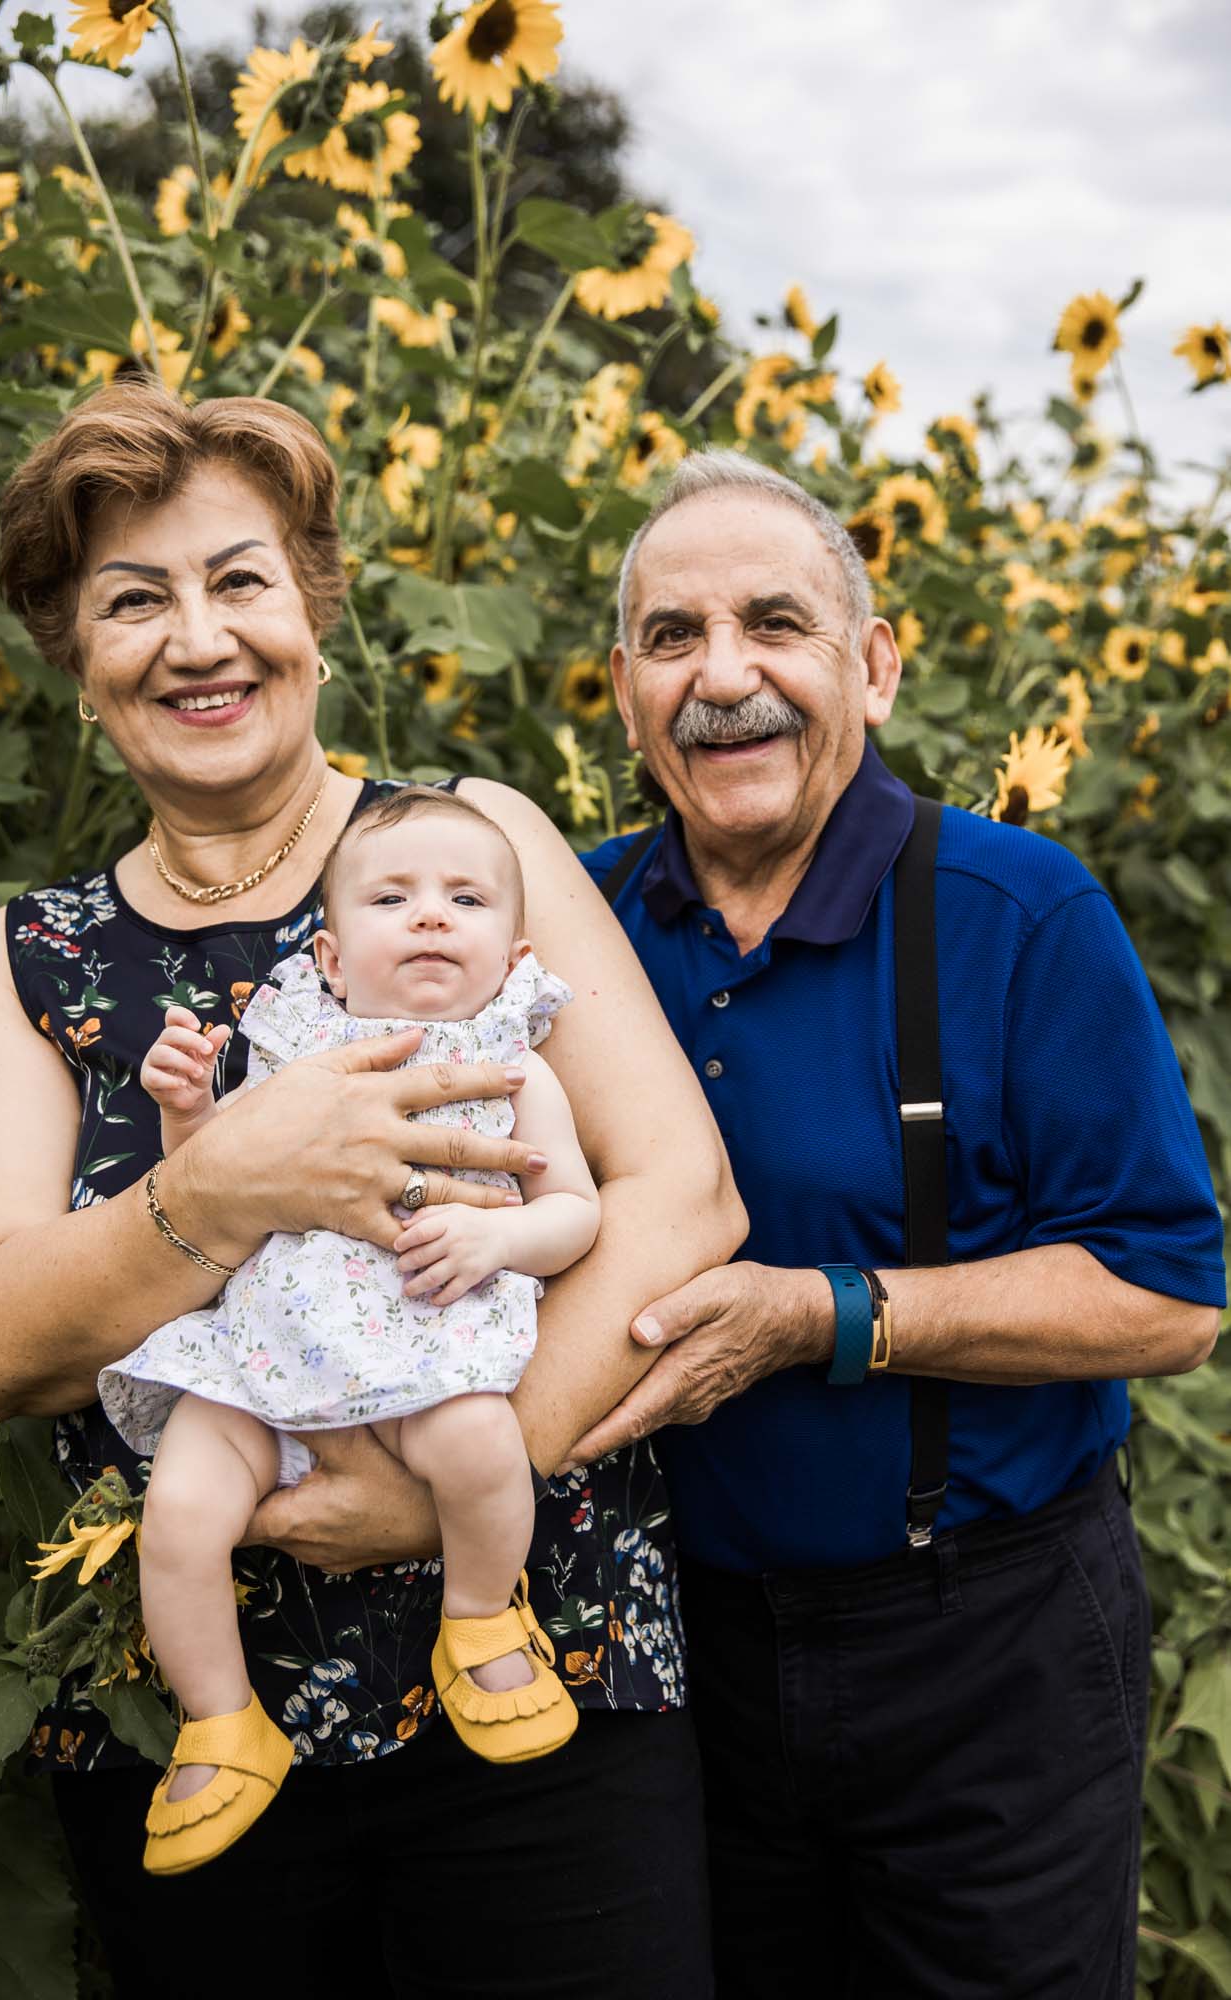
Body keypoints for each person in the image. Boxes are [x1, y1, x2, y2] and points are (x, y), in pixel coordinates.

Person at [0, 384, 746, 1998]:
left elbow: (677, 1199)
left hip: (543, 1670)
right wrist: (218, 1190)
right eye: (132, 601)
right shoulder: (25, 957)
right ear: (74, 663)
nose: (196, 638)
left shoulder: (470, 850)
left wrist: (445, 1483)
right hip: (188, 1730)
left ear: (313, 601)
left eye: (238, 580)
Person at [569, 450, 1225, 2000]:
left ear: (871, 665)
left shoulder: (1015, 912)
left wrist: (829, 1314)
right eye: (673, 638)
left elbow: (1167, 1294)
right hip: (678, 1656)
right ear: (620, 689)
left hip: (981, 1644)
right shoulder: (566, 931)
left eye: (774, 625)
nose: (722, 677)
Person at [102, 785, 600, 1875]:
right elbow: (207, 1176)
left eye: (462, 897)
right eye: (392, 896)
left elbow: (575, 1210)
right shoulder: (293, 1048)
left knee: (479, 1445)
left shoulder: (515, 1063)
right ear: (329, 956)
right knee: (178, 1512)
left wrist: (499, 1244)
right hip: (261, 1356)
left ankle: (478, 1619)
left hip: (423, 1343)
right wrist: (186, 1107)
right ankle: (219, 1720)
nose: (429, 915)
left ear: (513, 949)